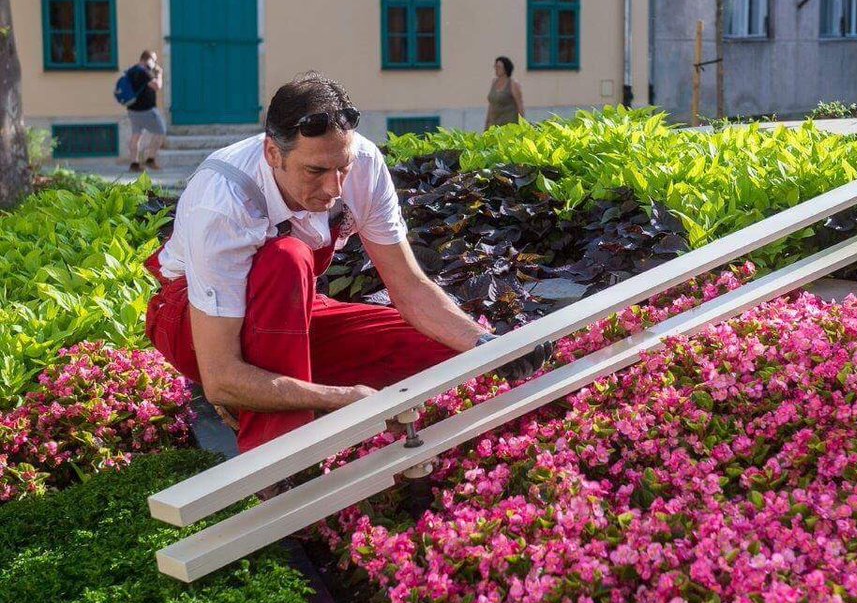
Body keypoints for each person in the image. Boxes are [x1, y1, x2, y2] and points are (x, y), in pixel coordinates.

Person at [143, 71, 551, 453]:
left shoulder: (365, 164)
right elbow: (220, 376)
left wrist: (487, 346)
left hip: (289, 314)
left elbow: (409, 286)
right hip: (195, 324)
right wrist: (338, 398)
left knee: (439, 349)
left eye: (343, 168)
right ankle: (283, 469)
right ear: (272, 153)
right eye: (315, 171)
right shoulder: (223, 200)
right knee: (287, 257)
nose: (334, 188)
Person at [125, 50, 166, 171]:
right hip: (146, 110)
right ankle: (150, 159)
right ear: (147, 60)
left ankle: (134, 164)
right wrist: (159, 74)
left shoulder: (131, 70)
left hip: (132, 109)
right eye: (154, 60)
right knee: (161, 131)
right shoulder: (144, 72)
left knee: (136, 135)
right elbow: (157, 86)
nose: (155, 63)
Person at [485, 56, 526, 129]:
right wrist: (487, 123)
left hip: (509, 125)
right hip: (494, 124)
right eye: (495, 67)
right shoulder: (494, 82)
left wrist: (522, 126)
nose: (496, 69)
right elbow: (491, 104)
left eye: (499, 67)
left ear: (506, 68)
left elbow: (520, 105)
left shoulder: (513, 84)